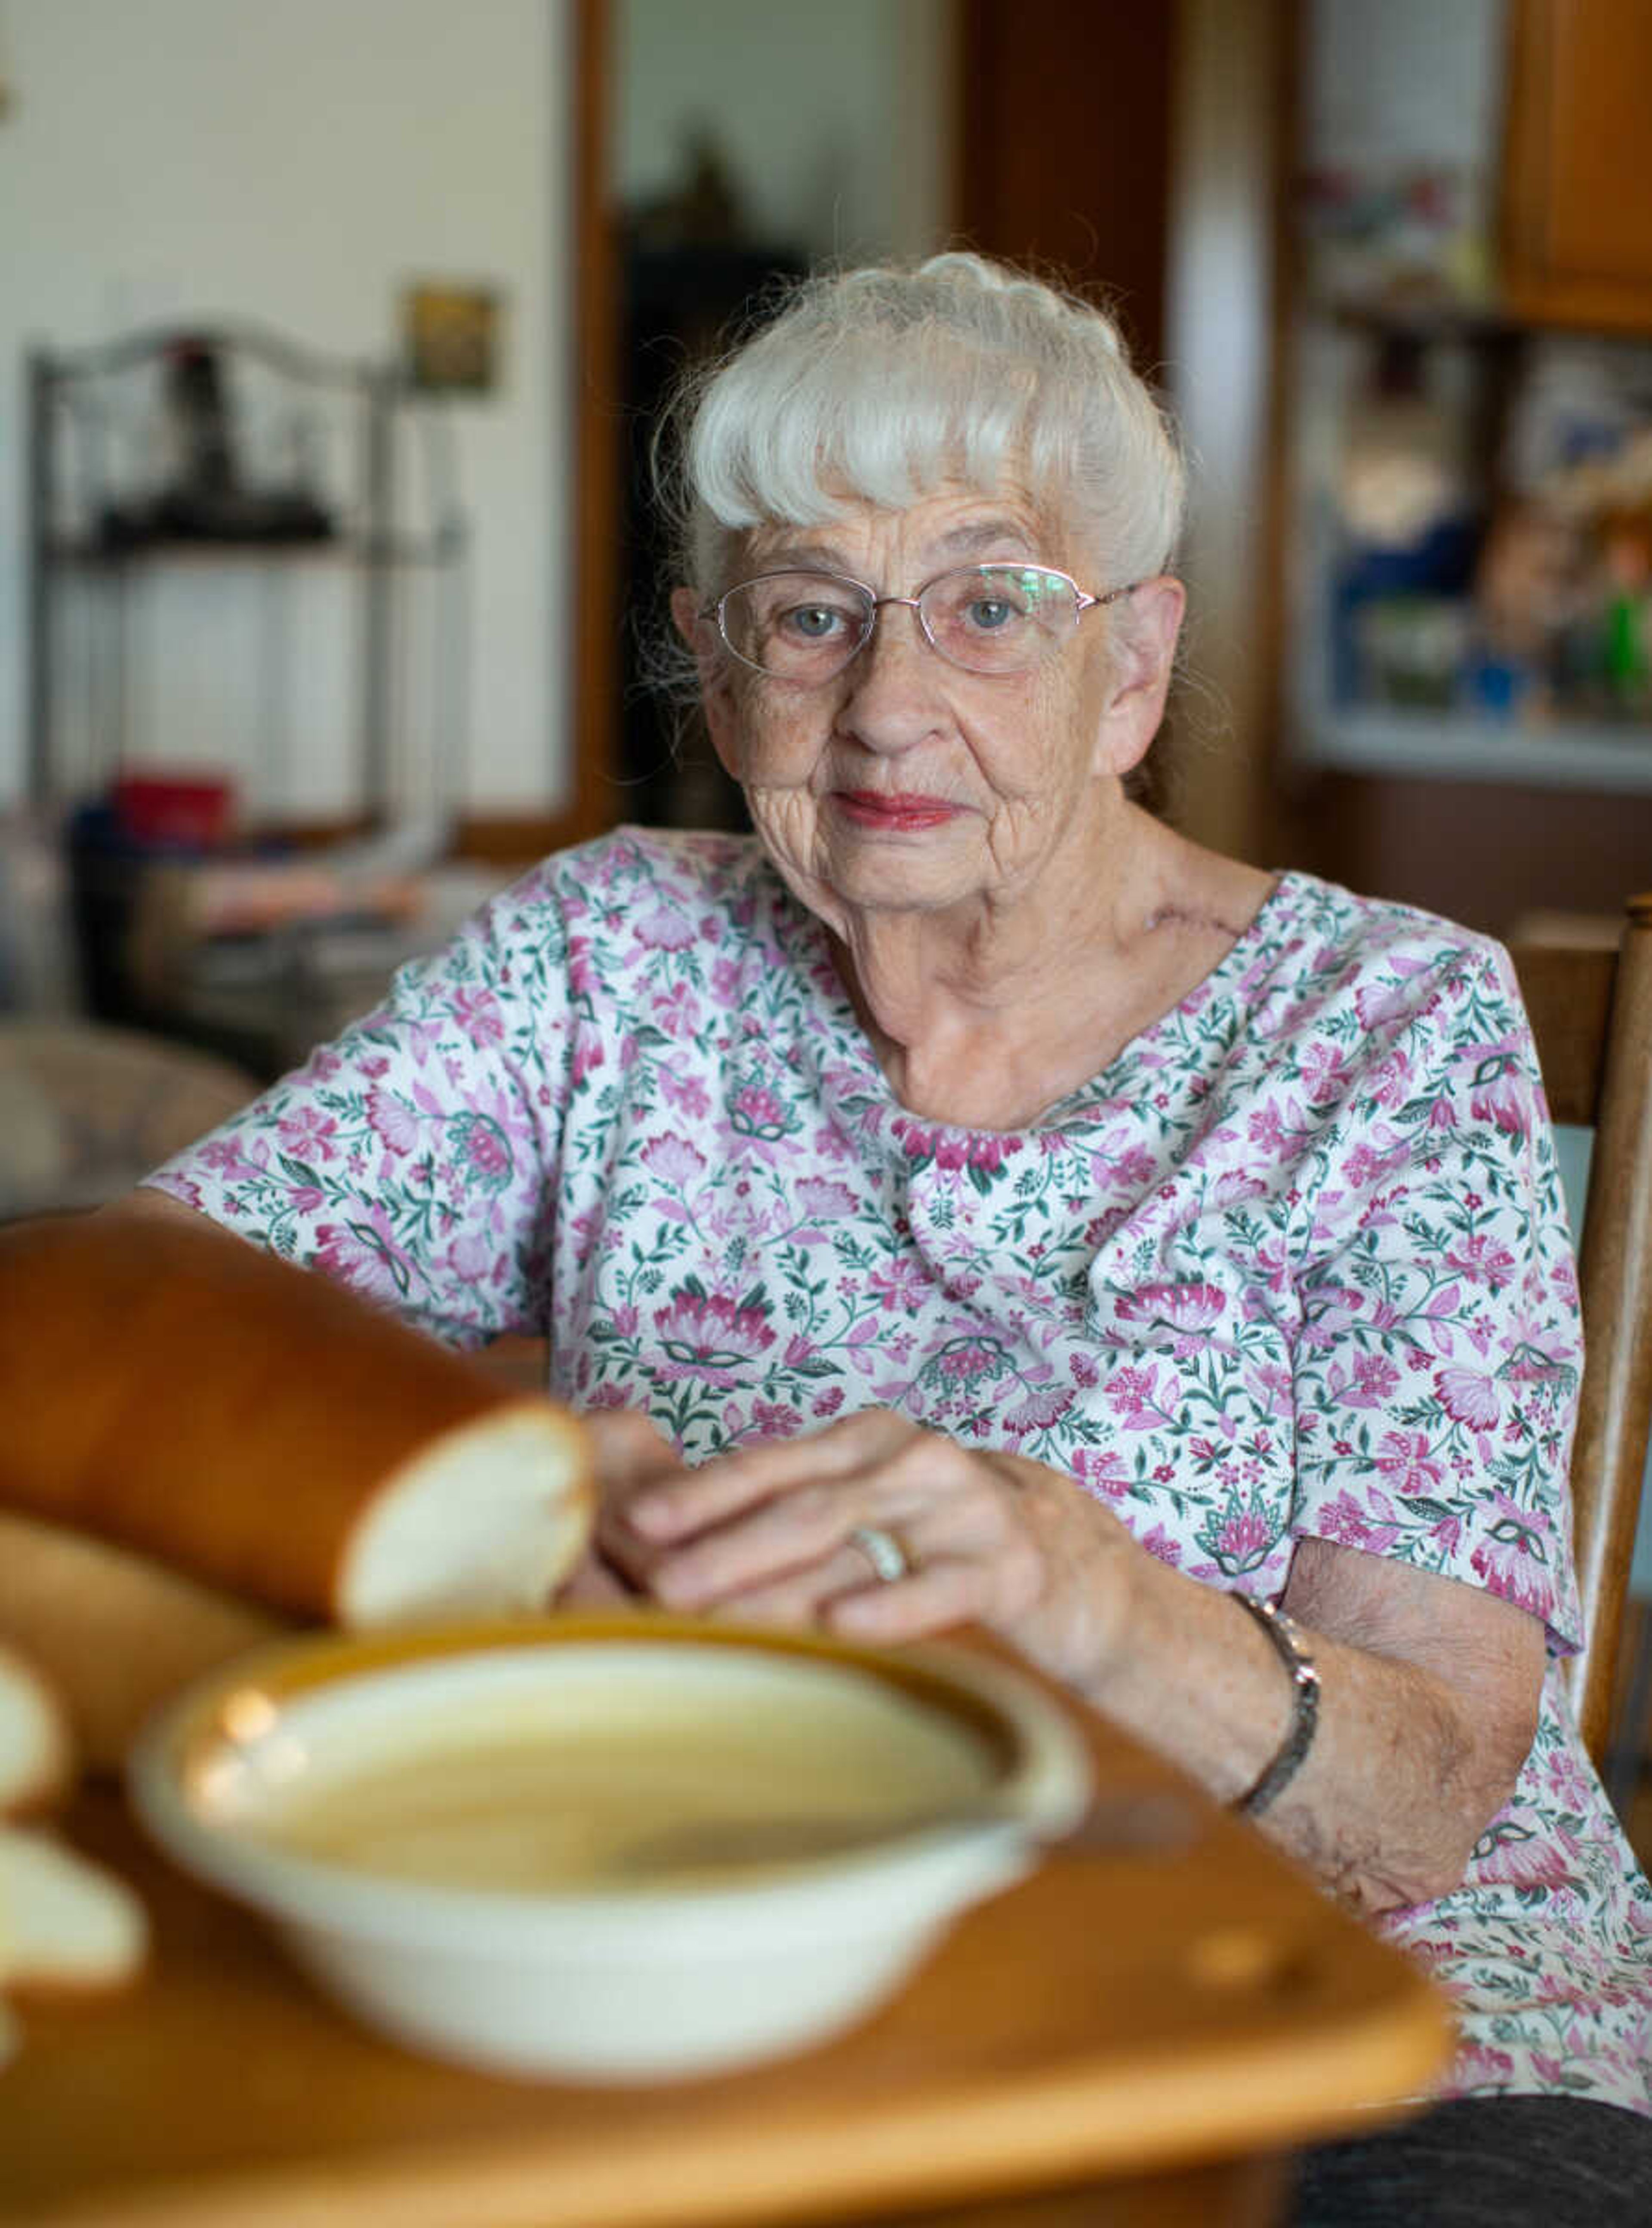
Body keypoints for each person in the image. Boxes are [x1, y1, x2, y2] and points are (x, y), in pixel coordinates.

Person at [108, 254, 1649, 2219]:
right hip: (731, 1964)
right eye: (810, 614)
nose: (889, 706)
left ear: (1140, 670)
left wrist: (1085, 1589)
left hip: (1362, 2039)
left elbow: (1429, 1784)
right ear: (711, 656)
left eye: (992, 606)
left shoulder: (1383, 1026)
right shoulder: (612, 956)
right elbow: (129, 1312)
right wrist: (465, 1471)